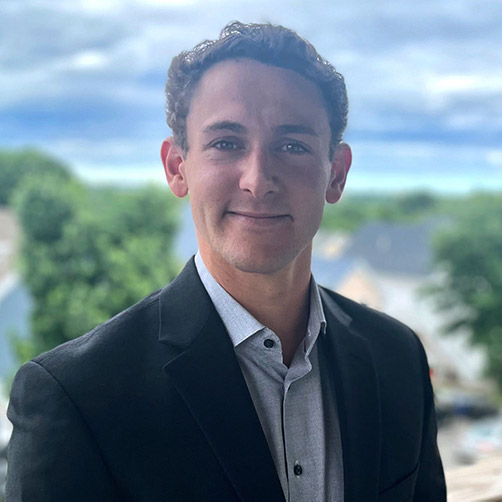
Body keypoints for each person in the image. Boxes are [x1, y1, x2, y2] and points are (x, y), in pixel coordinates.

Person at [6, 21, 446, 501]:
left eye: (292, 145)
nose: (258, 179)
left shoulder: (398, 357)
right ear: (177, 168)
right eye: (226, 143)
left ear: (336, 174)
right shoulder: (77, 398)